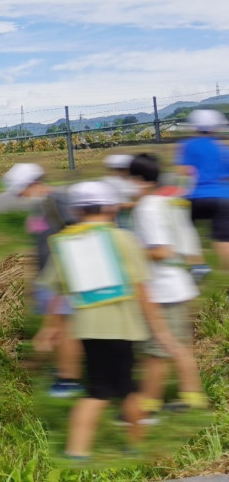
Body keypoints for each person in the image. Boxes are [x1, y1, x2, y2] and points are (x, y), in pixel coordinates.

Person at [34, 181, 183, 460]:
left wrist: (50, 327)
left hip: (89, 331)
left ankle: (122, 446)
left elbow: (56, 290)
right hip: (124, 329)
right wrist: (161, 331)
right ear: (111, 208)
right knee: (109, 391)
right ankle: (86, 450)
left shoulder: (66, 243)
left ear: (77, 211)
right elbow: (142, 290)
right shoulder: (125, 239)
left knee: (116, 388)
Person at [127, 154, 207, 416]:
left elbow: (160, 251)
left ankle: (149, 404)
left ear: (140, 180)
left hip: (163, 288)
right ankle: (190, 396)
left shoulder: (147, 208)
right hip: (176, 284)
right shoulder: (166, 201)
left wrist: (129, 252)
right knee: (172, 345)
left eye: (129, 178)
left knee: (159, 348)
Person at [1, 162, 83, 398]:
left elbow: (72, 239)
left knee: (64, 329)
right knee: (59, 329)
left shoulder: (56, 202)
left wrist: (62, 280)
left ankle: (69, 380)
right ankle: (63, 371)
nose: (19, 197)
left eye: (20, 192)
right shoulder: (39, 207)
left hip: (62, 277)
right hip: (47, 278)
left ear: (31, 185)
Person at [176, 109, 229, 269]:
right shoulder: (223, 149)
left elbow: (184, 172)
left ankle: (197, 265)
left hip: (195, 197)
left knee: (184, 229)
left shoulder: (187, 146)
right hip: (222, 197)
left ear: (195, 126)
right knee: (223, 237)